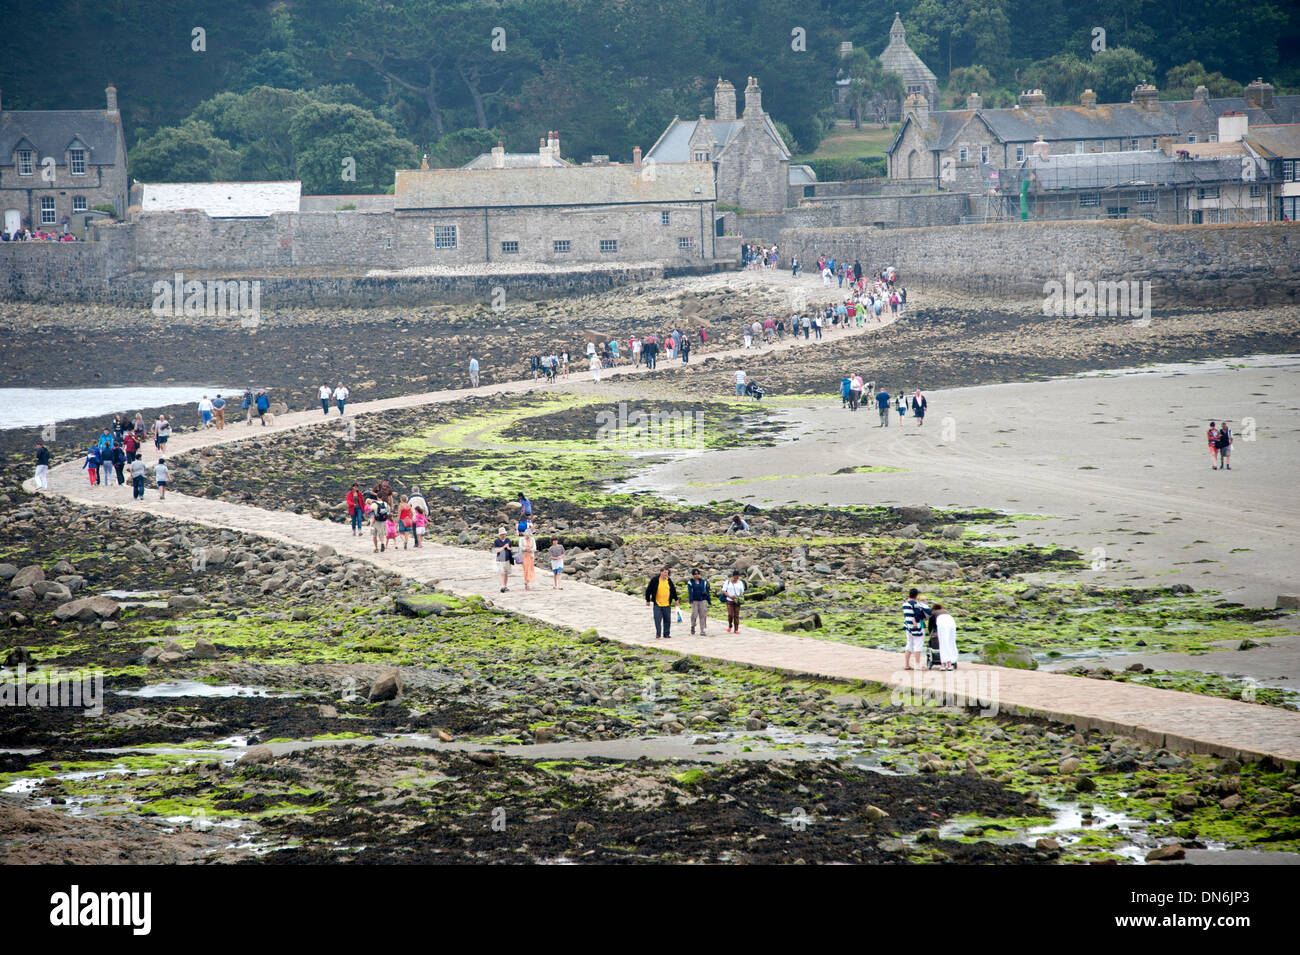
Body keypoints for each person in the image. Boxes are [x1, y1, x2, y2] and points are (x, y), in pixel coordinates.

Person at [645, 567, 678, 639]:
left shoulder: (669, 580)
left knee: (667, 620)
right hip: (657, 603)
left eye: (667, 572)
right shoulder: (655, 580)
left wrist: (676, 599)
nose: (666, 574)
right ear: (661, 572)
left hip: (667, 604)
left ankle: (666, 634)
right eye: (665, 572)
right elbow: (648, 590)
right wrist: (647, 600)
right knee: (657, 619)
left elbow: (673, 590)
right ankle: (658, 633)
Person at [902, 588, 930, 671]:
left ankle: (906, 665)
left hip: (908, 626)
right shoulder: (915, 604)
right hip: (916, 626)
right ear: (916, 595)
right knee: (918, 644)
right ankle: (917, 665)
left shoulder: (905, 604)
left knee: (909, 644)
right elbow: (919, 614)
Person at [930, 603, 958, 670]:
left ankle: (943, 664)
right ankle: (950, 663)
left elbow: (931, 626)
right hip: (951, 623)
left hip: (942, 624)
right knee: (950, 643)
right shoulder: (945, 611)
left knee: (943, 643)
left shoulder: (934, 613)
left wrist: (930, 634)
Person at [687, 568, 712, 635]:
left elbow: (707, 592)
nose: (697, 575)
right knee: (694, 614)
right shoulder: (690, 582)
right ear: (693, 575)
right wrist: (691, 600)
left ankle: (702, 630)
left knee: (703, 615)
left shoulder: (704, 582)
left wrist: (709, 601)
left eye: (698, 573)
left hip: (703, 600)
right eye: (695, 574)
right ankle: (693, 626)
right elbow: (690, 592)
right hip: (694, 601)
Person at [492, 527, 512, 592]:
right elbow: (497, 550)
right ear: (499, 535)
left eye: (504, 534)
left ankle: (505, 586)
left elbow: (511, 548)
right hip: (500, 558)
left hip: (507, 558)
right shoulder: (496, 541)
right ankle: (502, 586)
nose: (503, 535)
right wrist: (504, 547)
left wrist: (508, 548)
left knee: (506, 573)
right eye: (501, 534)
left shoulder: (508, 540)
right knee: (501, 573)